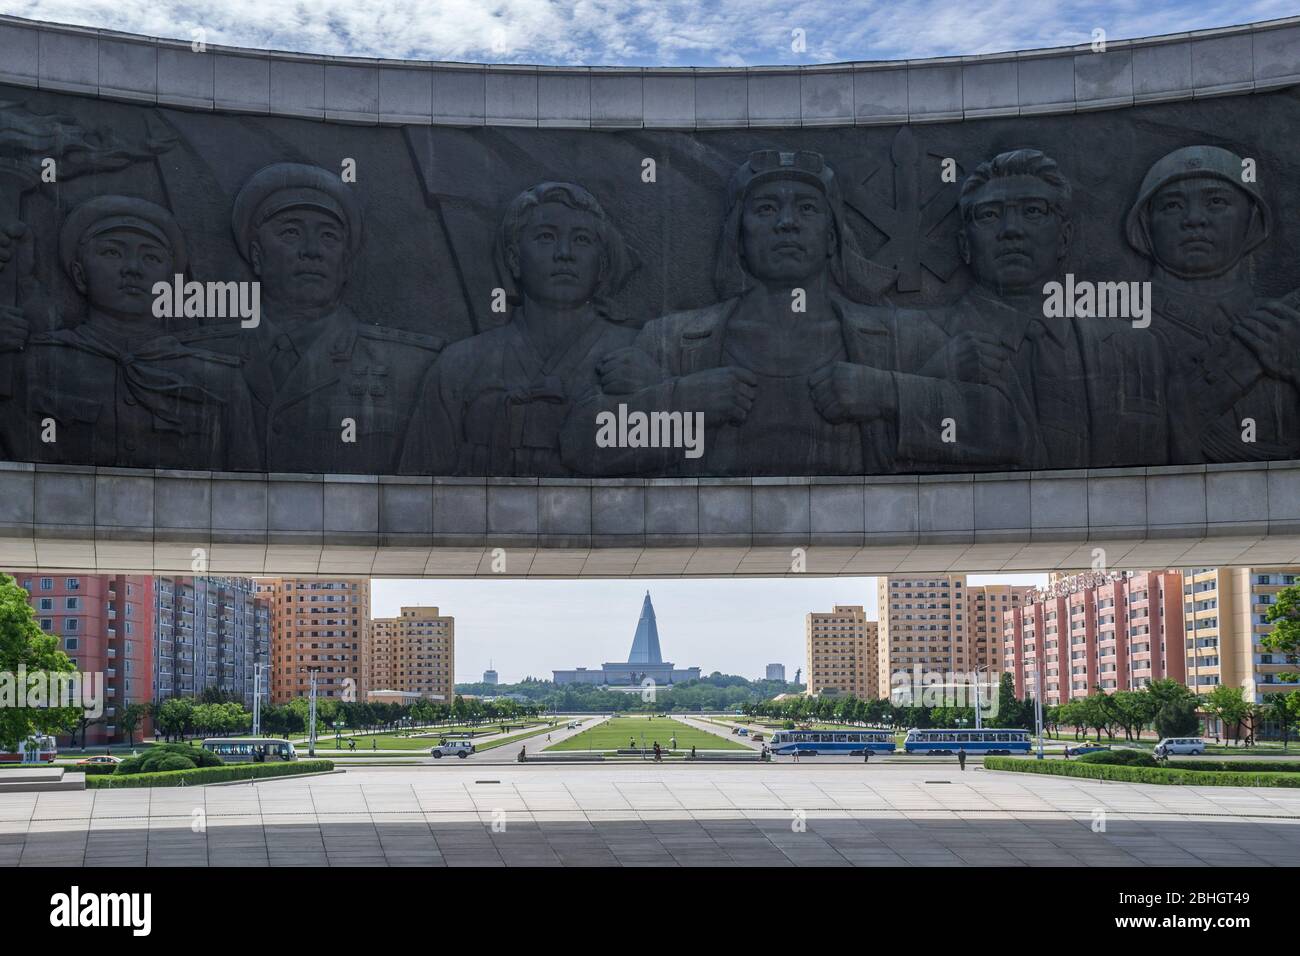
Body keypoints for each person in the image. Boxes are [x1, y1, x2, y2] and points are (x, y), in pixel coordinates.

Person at [568, 148, 1035, 476]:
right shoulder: (671, 340)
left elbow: (1007, 431)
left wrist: (886, 391)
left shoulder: (901, 336)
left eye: (807, 208)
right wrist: (683, 401)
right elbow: (580, 444)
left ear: (832, 236)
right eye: (767, 208)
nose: (787, 222)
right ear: (738, 235)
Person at [182, 162, 444, 472]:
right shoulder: (195, 360)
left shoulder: (416, 368)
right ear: (256, 255)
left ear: (346, 263)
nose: (312, 251)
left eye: (329, 237)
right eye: (291, 233)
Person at [400, 181, 639, 475]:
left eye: (581, 240)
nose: (564, 253)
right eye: (546, 237)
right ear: (514, 259)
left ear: (602, 265)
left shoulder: (637, 353)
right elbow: (417, 497)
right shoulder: (458, 366)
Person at [15, 196, 263, 471]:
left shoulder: (220, 379)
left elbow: (246, 490)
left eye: (151, 257)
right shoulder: (36, 362)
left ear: (170, 283)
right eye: (112, 253)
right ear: (79, 274)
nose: (132, 269)